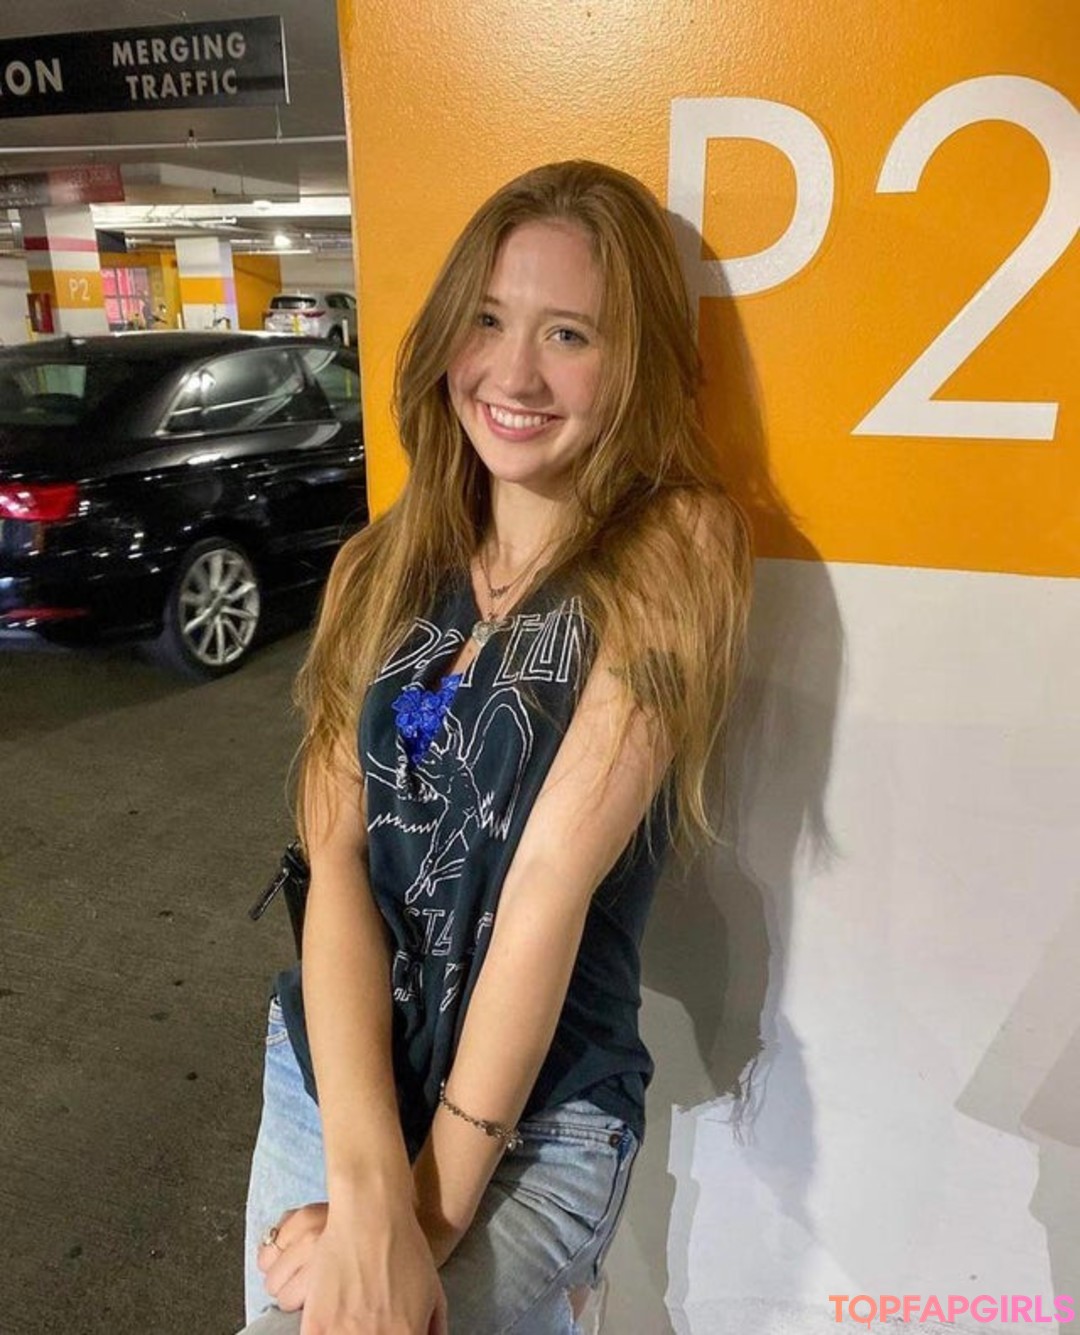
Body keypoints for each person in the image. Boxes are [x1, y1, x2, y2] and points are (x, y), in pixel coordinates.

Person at [241, 159, 752, 1335]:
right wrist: (370, 1190)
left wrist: (410, 1234)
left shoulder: (676, 551)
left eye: (568, 333)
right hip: (336, 1072)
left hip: (536, 1115)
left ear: (633, 363)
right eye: (486, 319)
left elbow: (544, 891)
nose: (513, 374)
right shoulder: (378, 565)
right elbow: (336, 867)